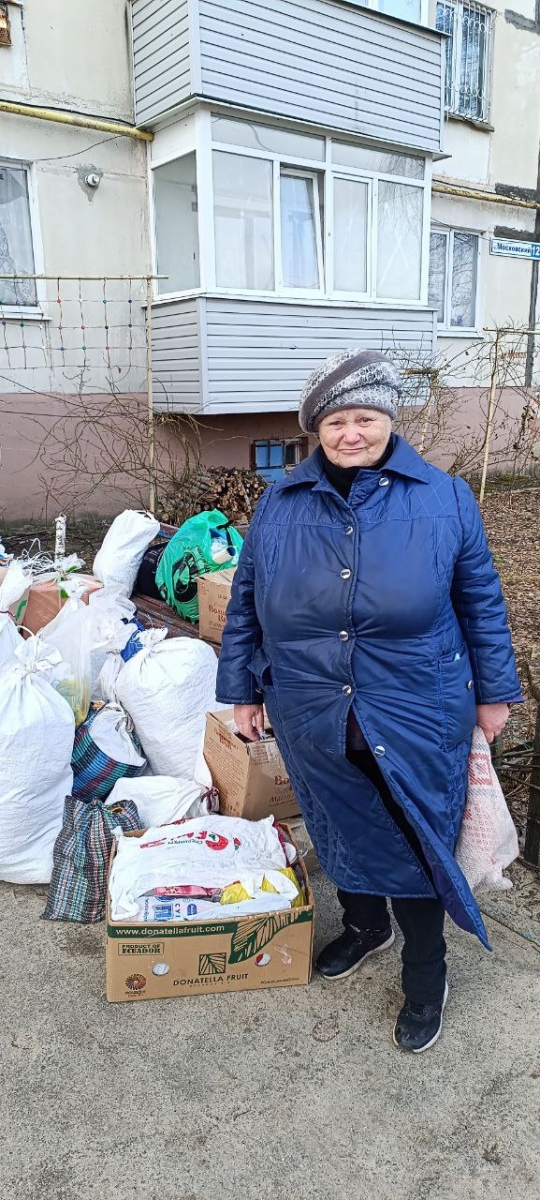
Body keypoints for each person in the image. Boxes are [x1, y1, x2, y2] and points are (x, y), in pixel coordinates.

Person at [215, 349, 521, 1054]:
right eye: (336, 421)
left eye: (367, 418)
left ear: (389, 419)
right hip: (311, 703)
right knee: (337, 820)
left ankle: (427, 973)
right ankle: (364, 926)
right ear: (314, 429)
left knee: (413, 835)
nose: (351, 433)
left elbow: (481, 601)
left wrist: (496, 692)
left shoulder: (443, 497)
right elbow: (247, 604)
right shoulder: (281, 502)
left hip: (418, 703)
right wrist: (240, 690)